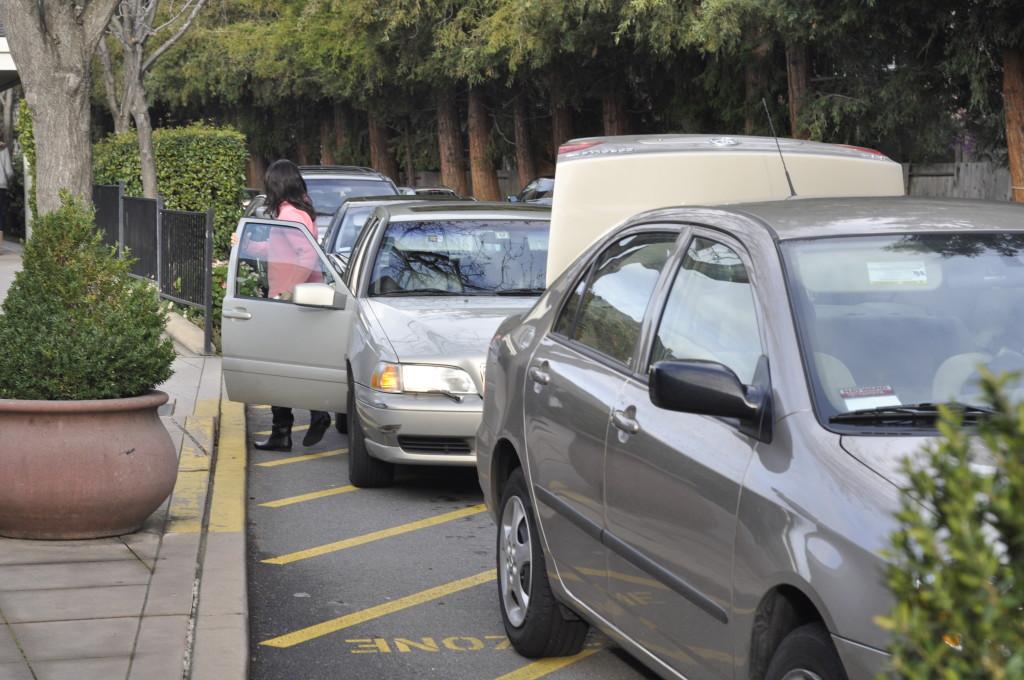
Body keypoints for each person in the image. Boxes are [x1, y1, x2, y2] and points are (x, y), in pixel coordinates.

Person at [231, 159, 331, 452]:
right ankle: (297, 423)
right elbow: (280, 249)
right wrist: (246, 244)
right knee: (290, 366)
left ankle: (293, 426)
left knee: (278, 370)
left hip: (290, 302)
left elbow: (305, 256)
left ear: (276, 185)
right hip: (296, 300)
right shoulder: (296, 211)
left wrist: (287, 295)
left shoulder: (290, 214)